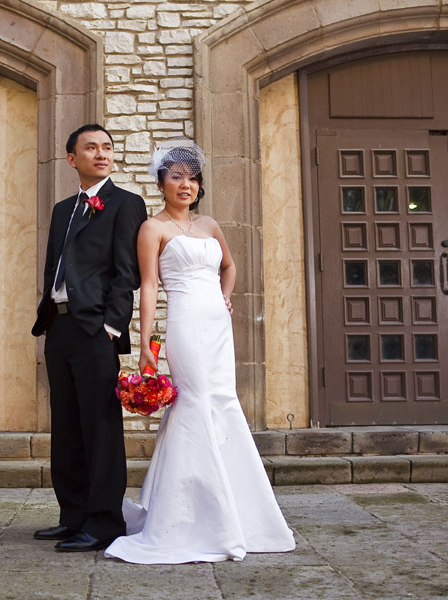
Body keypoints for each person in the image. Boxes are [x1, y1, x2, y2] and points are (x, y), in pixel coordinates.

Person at [104, 138, 296, 564]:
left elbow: (229, 266)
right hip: (185, 321)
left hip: (217, 324)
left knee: (223, 401)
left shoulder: (209, 225)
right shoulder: (153, 228)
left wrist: (225, 297)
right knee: (194, 402)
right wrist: (149, 342)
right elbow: (150, 285)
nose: (185, 185)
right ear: (162, 183)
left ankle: (237, 510)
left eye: (192, 178)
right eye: (176, 177)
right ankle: (186, 518)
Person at [31, 124, 147, 552]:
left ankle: (103, 523)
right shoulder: (63, 209)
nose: (101, 153)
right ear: (71, 159)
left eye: (107, 147)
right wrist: (47, 318)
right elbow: (54, 270)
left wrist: (112, 327)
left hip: (95, 330)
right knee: (66, 427)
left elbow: (126, 273)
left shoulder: (125, 204)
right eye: (91, 147)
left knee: (100, 428)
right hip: (59, 328)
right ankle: (73, 515)